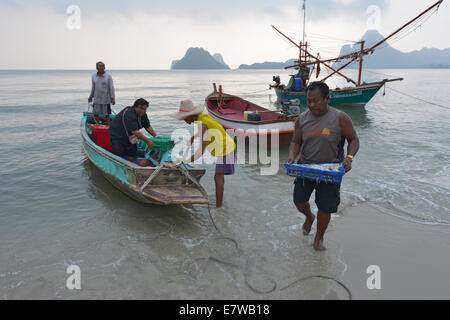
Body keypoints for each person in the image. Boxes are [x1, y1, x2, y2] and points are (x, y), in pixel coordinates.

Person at [286, 81, 360, 251]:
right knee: (299, 201)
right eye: (309, 101)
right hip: (305, 167)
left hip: (331, 170)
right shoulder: (301, 119)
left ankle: (319, 238)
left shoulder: (340, 118)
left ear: (327, 98)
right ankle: (309, 217)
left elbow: (354, 139)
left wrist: (349, 157)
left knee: (325, 207)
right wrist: (291, 156)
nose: (312, 105)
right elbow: (295, 142)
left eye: (316, 100)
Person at [172, 100, 236, 208]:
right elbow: (209, 129)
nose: (184, 120)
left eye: (184, 118)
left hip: (226, 149)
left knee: (218, 177)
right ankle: (219, 201)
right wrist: (194, 136)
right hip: (227, 147)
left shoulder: (202, 123)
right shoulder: (203, 118)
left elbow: (201, 150)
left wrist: (186, 160)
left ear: (191, 115)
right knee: (219, 177)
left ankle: (218, 206)